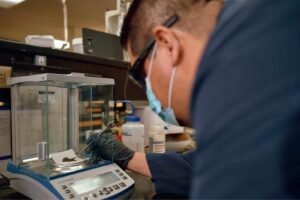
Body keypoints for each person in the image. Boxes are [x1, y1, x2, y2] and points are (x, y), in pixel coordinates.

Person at [87, 0, 300, 198]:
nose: (152, 95)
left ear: (167, 44)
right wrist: (129, 158)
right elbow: (214, 162)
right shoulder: (264, 28)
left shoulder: (236, 68)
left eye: (143, 78)